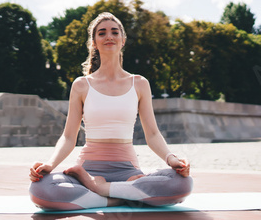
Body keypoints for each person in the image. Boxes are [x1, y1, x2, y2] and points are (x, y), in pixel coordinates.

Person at [28, 12, 193, 210]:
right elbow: (68, 137)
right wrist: (50, 165)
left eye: (115, 32)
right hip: (88, 169)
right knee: (41, 189)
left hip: (127, 170)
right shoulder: (82, 85)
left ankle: (101, 191)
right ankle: (124, 195)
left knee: (182, 183)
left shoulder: (139, 83)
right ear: (94, 42)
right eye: (102, 33)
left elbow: (153, 134)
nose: (109, 36)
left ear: (122, 40)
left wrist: (173, 160)